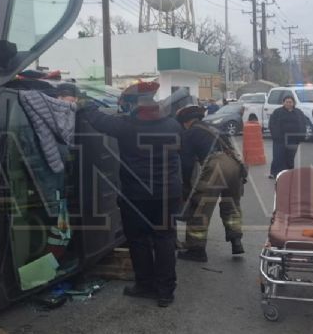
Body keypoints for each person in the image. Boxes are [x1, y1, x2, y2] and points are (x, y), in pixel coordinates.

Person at [80, 81, 183, 307]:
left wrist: (85, 104)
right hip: (168, 194)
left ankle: (145, 285)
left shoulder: (126, 126)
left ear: (135, 105)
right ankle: (166, 292)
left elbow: (98, 120)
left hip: (137, 196)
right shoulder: (173, 126)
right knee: (164, 238)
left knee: (138, 240)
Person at [175, 105, 246, 262]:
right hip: (235, 165)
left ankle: (196, 250)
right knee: (231, 205)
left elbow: (186, 164)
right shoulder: (213, 128)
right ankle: (236, 241)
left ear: (185, 122)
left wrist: (186, 188)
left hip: (216, 165)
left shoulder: (190, 133)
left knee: (199, 207)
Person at [267, 94, 308, 179]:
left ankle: (289, 173)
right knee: (278, 157)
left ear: (293, 103)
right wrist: (275, 135)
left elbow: (303, 124)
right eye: (287, 102)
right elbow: (272, 124)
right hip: (279, 140)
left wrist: (301, 136)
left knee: (290, 157)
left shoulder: (298, 112)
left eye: (290, 102)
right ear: (283, 103)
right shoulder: (277, 112)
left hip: (293, 140)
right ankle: (275, 173)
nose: (289, 103)